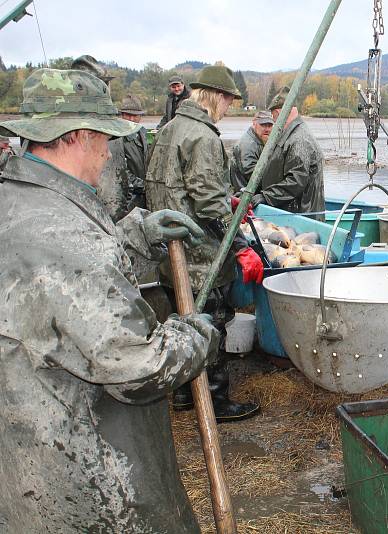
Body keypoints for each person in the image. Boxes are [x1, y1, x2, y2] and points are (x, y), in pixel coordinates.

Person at [0, 67, 218, 533]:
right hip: (82, 475)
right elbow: (137, 366)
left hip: (21, 449)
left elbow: (56, 286)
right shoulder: (68, 238)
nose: (107, 152)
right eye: (104, 138)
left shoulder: (18, 200)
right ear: (77, 136)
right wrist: (195, 335)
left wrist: (134, 233)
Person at [145, 63, 262, 422]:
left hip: (170, 250)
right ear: (215, 97)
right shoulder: (204, 136)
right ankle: (214, 400)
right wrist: (241, 247)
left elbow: (176, 184)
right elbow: (209, 205)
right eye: (228, 100)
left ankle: (183, 393)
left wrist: (225, 198)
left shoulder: (169, 129)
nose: (229, 109)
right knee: (211, 325)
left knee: (181, 322)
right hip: (200, 256)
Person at [70, 54, 133, 222]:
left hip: (113, 212)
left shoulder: (109, 127)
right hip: (94, 218)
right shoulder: (75, 130)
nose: (105, 89)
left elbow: (119, 174)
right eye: (100, 84)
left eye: (105, 84)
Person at [251, 86, 325, 219]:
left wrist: (266, 196)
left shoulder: (299, 139)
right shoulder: (291, 134)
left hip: (303, 217)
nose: (274, 123)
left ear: (279, 114)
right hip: (294, 214)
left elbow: (296, 181)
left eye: (274, 118)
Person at [231, 109, 274, 191]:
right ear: (254, 124)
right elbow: (253, 175)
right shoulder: (247, 145)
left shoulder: (260, 140)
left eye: (270, 125)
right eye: (263, 125)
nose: (267, 129)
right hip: (243, 195)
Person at [119, 94, 149, 210]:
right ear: (122, 115)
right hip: (126, 199)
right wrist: (144, 186)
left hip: (142, 198)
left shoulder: (142, 132)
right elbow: (120, 172)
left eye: (134, 116)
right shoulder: (115, 138)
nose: (131, 119)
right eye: (127, 115)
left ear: (140, 116)